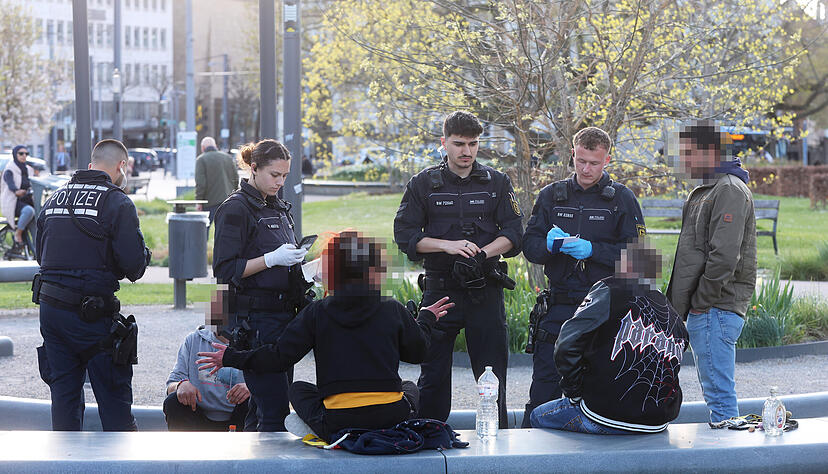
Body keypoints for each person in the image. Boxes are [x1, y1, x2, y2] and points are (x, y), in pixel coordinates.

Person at [197, 231, 453, 443]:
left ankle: (324, 430)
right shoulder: (392, 308)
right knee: (407, 388)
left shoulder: (317, 312)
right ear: (373, 267)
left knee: (297, 390)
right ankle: (386, 424)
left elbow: (278, 358)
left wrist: (230, 356)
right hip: (390, 415)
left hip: (339, 419)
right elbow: (418, 353)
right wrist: (425, 320)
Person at [393, 111, 523, 428]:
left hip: (485, 288)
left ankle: (498, 446)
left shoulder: (497, 182)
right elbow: (404, 236)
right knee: (433, 375)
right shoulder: (423, 184)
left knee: (492, 376)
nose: (466, 151)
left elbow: (515, 234)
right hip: (440, 289)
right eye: (459, 144)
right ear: (444, 143)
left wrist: (482, 254)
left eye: (473, 144)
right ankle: (428, 438)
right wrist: (447, 245)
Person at [520, 127, 646, 427]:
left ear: (608, 161)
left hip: (603, 308)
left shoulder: (622, 200)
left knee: (598, 391)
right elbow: (530, 247)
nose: (586, 169)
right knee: (544, 389)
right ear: (572, 155)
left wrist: (593, 251)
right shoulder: (552, 196)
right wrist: (548, 246)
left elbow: (641, 260)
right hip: (560, 306)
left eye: (594, 163)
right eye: (581, 161)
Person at [34, 139, 151, 431]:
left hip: (51, 313)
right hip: (93, 317)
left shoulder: (54, 198)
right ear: (121, 166)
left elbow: (41, 255)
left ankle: (65, 465)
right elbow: (134, 267)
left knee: (64, 400)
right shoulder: (117, 201)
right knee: (115, 404)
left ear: (90, 165)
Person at [530, 240, 689, 434]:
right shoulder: (672, 313)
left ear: (624, 266)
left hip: (602, 416)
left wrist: (574, 392)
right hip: (657, 423)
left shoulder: (611, 289)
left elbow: (566, 342)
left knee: (537, 417)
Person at [211, 138, 307, 432]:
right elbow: (225, 270)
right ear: (253, 168)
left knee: (264, 405)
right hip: (255, 320)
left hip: (281, 316)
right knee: (274, 411)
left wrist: (299, 264)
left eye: (285, 176)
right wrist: (272, 258)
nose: (280, 182)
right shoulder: (236, 209)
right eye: (274, 175)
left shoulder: (277, 207)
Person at [666, 120, 757, 428]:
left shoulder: (729, 189)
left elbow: (724, 257)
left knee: (720, 402)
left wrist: (701, 302)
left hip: (715, 308)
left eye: (689, 153)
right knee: (717, 396)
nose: (684, 160)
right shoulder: (711, 188)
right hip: (708, 308)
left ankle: (730, 459)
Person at [164, 288, 249, 431]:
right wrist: (180, 385)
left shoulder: (252, 342)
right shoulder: (193, 340)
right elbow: (170, 386)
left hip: (239, 416)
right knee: (173, 402)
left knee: (255, 402)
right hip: (199, 415)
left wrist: (251, 388)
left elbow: (270, 387)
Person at [1, 145, 38, 258]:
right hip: (13, 203)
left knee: (36, 223)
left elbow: (34, 183)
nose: (24, 156)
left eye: (26, 154)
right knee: (29, 211)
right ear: (15, 154)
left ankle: (38, 252)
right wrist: (17, 191)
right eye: (21, 153)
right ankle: (18, 234)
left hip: (26, 201)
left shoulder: (28, 169)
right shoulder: (9, 170)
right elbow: (11, 186)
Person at [195, 136, 239, 224]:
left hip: (209, 202)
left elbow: (201, 184)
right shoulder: (228, 158)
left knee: (204, 229)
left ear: (203, 148)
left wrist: (199, 201)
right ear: (215, 146)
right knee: (225, 231)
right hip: (228, 201)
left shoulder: (201, 159)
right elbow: (236, 179)